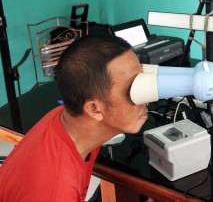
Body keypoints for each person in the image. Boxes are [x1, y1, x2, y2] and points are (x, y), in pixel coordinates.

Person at [0, 35, 148, 201]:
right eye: (133, 88)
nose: (145, 97)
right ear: (94, 109)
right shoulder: (55, 191)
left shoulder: (69, 120)